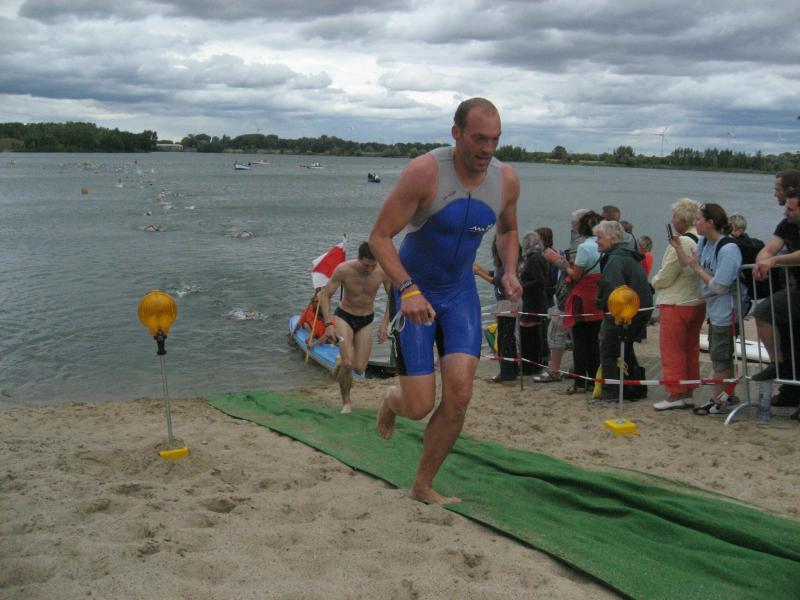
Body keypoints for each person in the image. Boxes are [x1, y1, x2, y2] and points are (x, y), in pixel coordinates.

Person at [369, 97, 521, 504]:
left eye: (495, 140)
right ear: (456, 133)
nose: (487, 149)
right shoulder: (425, 172)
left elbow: (508, 230)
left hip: (459, 295)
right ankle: (391, 400)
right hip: (415, 293)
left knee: (460, 396)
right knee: (418, 405)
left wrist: (509, 269)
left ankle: (422, 484)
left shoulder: (506, 180)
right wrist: (407, 289)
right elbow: (379, 238)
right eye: (479, 138)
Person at [670, 203, 742, 415]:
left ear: (710, 222)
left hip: (726, 310)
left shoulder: (728, 249)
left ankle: (717, 400)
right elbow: (689, 266)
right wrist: (678, 248)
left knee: (721, 356)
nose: (695, 223)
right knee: (718, 353)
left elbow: (719, 286)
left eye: (698, 219)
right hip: (713, 308)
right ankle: (726, 395)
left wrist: (697, 268)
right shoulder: (704, 242)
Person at [318, 241, 391, 414]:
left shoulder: (382, 271)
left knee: (359, 368)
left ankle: (340, 362)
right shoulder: (344, 269)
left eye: (373, 265)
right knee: (348, 363)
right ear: (359, 258)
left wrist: (385, 324)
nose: (369, 269)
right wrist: (328, 324)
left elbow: (392, 297)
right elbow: (325, 295)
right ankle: (347, 402)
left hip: (366, 319)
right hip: (345, 316)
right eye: (366, 265)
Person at [650, 198, 705, 410]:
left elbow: (667, 274)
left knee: (672, 349)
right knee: (690, 348)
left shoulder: (681, 242)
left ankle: (675, 393)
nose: (672, 221)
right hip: (696, 301)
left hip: (676, 302)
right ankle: (688, 391)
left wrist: (654, 282)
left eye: (674, 217)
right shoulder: (701, 239)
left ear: (683, 219)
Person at [594, 220, 653, 400]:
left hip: (624, 312)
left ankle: (611, 392)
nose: (597, 241)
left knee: (608, 351)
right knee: (625, 349)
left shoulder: (616, 259)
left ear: (613, 238)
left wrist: (600, 302)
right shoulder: (628, 255)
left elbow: (615, 291)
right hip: (640, 310)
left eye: (600, 237)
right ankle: (634, 387)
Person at [751, 192, 800, 387]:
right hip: (795, 287)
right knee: (763, 312)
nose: (785, 212)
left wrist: (775, 260)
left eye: (791, 209)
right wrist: (761, 263)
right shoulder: (786, 224)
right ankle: (777, 363)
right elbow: (770, 248)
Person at [536, 209, 590, 383]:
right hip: (583, 296)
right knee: (578, 334)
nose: (571, 228)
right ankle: (578, 368)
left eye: (573, 225)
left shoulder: (581, 244)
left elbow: (575, 272)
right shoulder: (593, 242)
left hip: (570, 296)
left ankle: (554, 370)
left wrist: (557, 260)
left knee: (556, 330)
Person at [562, 211, 604, 394]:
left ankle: (580, 381)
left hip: (582, 298)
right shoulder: (602, 246)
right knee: (594, 340)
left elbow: (576, 275)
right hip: (598, 296)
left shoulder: (584, 247)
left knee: (579, 341)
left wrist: (565, 266)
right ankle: (594, 378)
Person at [475, 238, 521, 383]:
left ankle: (507, 373)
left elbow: (497, 281)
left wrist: (479, 273)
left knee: (504, 339)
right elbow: (494, 274)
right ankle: (512, 370)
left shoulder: (507, 264)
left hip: (507, 303)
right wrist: (479, 268)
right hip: (506, 303)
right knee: (508, 337)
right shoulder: (506, 263)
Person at [519, 231, 549, 377]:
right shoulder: (539, 257)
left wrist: (522, 286)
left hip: (533, 300)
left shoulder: (534, 259)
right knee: (533, 331)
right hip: (535, 299)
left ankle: (529, 365)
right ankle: (534, 364)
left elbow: (540, 280)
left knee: (528, 331)